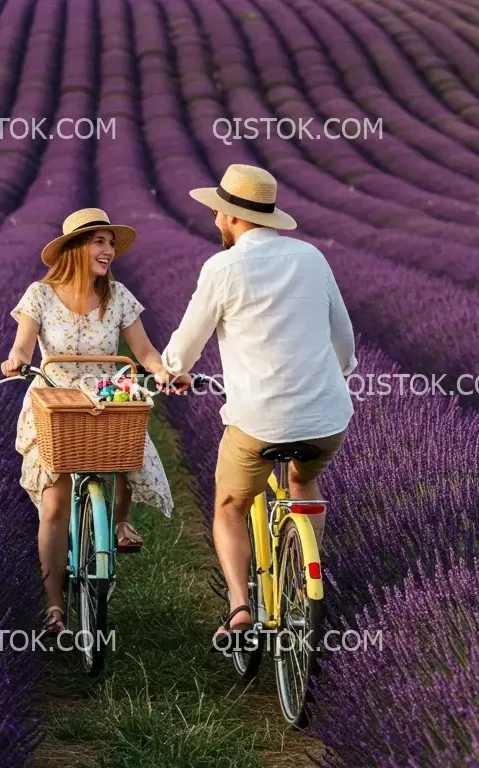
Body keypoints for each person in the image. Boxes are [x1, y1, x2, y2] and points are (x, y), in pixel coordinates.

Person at [156, 164, 357, 641]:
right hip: (328, 416)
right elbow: (344, 341)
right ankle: (302, 578)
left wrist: (174, 370)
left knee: (229, 502)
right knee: (303, 477)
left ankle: (240, 607)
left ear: (228, 217)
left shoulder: (222, 268)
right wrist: (337, 374)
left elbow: (185, 347)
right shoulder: (311, 258)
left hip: (258, 421)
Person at [0, 207, 176, 636]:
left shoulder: (118, 297)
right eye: (99, 242)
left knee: (123, 447)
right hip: (56, 399)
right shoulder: (39, 295)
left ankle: (117, 522)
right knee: (56, 504)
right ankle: (55, 607)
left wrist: (160, 369)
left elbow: (144, 350)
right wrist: (15, 361)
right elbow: (23, 346)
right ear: (76, 248)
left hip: (105, 396)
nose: (108, 251)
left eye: (111, 243)